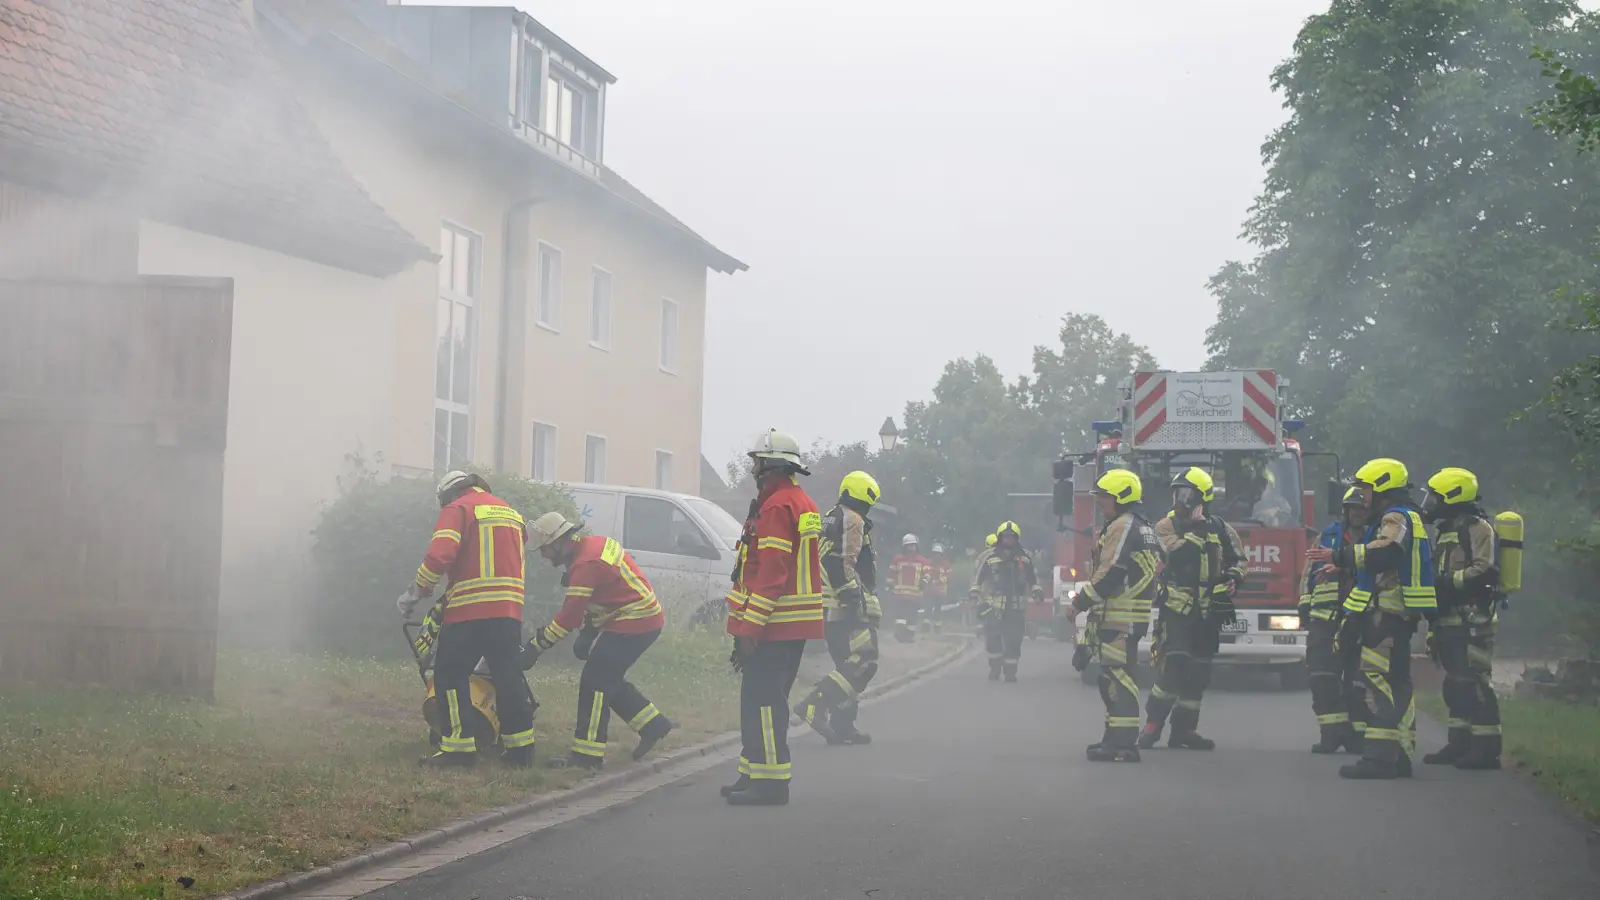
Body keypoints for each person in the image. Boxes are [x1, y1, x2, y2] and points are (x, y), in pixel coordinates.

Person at [398, 471, 537, 768]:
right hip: (509, 611)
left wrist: (414, 593)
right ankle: (520, 750)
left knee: (449, 675)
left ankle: (459, 750)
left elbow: (439, 557)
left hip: (469, 611)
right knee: (508, 676)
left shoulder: (458, 509)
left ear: (449, 494)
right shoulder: (512, 513)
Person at [1309, 458, 1436, 780]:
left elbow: (1386, 553)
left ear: (1381, 487)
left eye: (1365, 488)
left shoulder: (1395, 517)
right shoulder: (1404, 517)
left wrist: (1340, 555)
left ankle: (1380, 758)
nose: (1361, 496)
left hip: (1387, 616)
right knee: (1397, 682)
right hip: (1395, 616)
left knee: (1378, 682)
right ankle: (1402, 755)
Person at [720, 429, 826, 806]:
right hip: (789, 624)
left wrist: (751, 628)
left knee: (765, 702)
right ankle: (752, 772)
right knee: (759, 699)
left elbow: (772, 574)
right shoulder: (800, 502)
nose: (753, 467)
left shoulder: (779, 506)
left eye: (757, 461)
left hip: (774, 625)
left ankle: (771, 783)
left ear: (770, 465)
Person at [521, 511, 674, 770]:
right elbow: (603, 593)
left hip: (636, 621)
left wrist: (536, 646)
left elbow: (568, 618)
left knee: (595, 681)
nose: (544, 556)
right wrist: (589, 631)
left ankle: (587, 756)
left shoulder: (585, 564)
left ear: (559, 542)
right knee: (606, 678)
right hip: (638, 618)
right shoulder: (591, 547)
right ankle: (653, 725)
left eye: (545, 549)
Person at [1138, 468, 1245, 751]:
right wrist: (1198, 531)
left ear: (1203, 499)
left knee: (1199, 671)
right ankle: (1153, 723)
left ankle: (1185, 730)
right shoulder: (1165, 526)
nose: (1179, 501)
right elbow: (1175, 555)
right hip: (1177, 606)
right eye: (1177, 494)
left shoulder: (1222, 528)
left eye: (1186, 495)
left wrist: (1234, 578)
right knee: (1176, 662)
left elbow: (1239, 560)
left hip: (1209, 610)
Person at [1071, 470, 1160, 762]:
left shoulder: (1123, 526)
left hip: (1121, 616)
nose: (1099, 503)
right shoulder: (1142, 526)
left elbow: (1112, 571)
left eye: (1104, 497)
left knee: (1118, 678)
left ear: (1121, 497)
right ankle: (1113, 739)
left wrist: (1079, 602)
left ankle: (1123, 744)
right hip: (1121, 615)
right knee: (1110, 678)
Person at [1420, 467, 1502, 770]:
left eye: (1436, 497)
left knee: (1475, 683)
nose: (1430, 503)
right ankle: (1459, 744)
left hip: (1472, 620)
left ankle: (1486, 749)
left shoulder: (1477, 528)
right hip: (1449, 619)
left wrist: (1446, 583)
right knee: (1455, 684)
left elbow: (1485, 569)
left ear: (1454, 497)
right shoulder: (1446, 530)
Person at [793, 470, 882, 745]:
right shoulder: (852, 520)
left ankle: (843, 724)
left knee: (849, 663)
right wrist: (853, 598)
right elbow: (841, 561)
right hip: (843, 604)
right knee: (864, 659)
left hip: (828, 604)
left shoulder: (833, 515)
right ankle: (815, 703)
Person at [1300, 486, 1369, 754]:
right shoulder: (1327, 536)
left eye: (1361, 508)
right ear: (1345, 510)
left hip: (1359, 618)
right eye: (1352, 508)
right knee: (1321, 676)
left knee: (1357, 681)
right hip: (1324, 618)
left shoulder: (1375, 537)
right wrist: (1304, 604)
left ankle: (1357, 734)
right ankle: (1331, 732)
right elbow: (1308, 572)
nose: (1357, 513)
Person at [971, 521, 1043, 682]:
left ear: (1016, 538)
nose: (1008, 540)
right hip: (993, 606)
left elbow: (1033, 579)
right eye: (1006, 537)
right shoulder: (989, 558)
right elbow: (978, 577)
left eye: (1012, 537)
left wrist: (1037, 591)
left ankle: (1011, 671)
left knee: (1014, 640)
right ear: (1000, 537)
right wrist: (974, 592)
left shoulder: (1025, 558)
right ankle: (995, 668)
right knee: (993, 639)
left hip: (1016, 607)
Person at [889, 534, 930, 641]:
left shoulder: (922, 561)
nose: (911, 548)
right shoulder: (897, 559)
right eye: (909, 546)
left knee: (912, 617)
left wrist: (924, 582)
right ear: (904, 547)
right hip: (900, 594)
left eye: (913, 545)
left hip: (915, 595)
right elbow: (891, 574)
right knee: (900, 617)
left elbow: (927, 575)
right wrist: (889, 586)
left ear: (917, 547)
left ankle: (909, 636)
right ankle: (900, 634)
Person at [926, 543, 953, 631]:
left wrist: (939, 581)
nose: (937, 556)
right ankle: (926, 624)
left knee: (938, 608)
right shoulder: (928, 563)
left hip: (940, 591)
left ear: (941, 555)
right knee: (928, 607)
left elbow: (949, 577)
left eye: (938, 554)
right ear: (932, 554)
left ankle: (937, 626)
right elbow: (924, 573)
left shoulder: (946, 564)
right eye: (935, 553)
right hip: (929, 591)